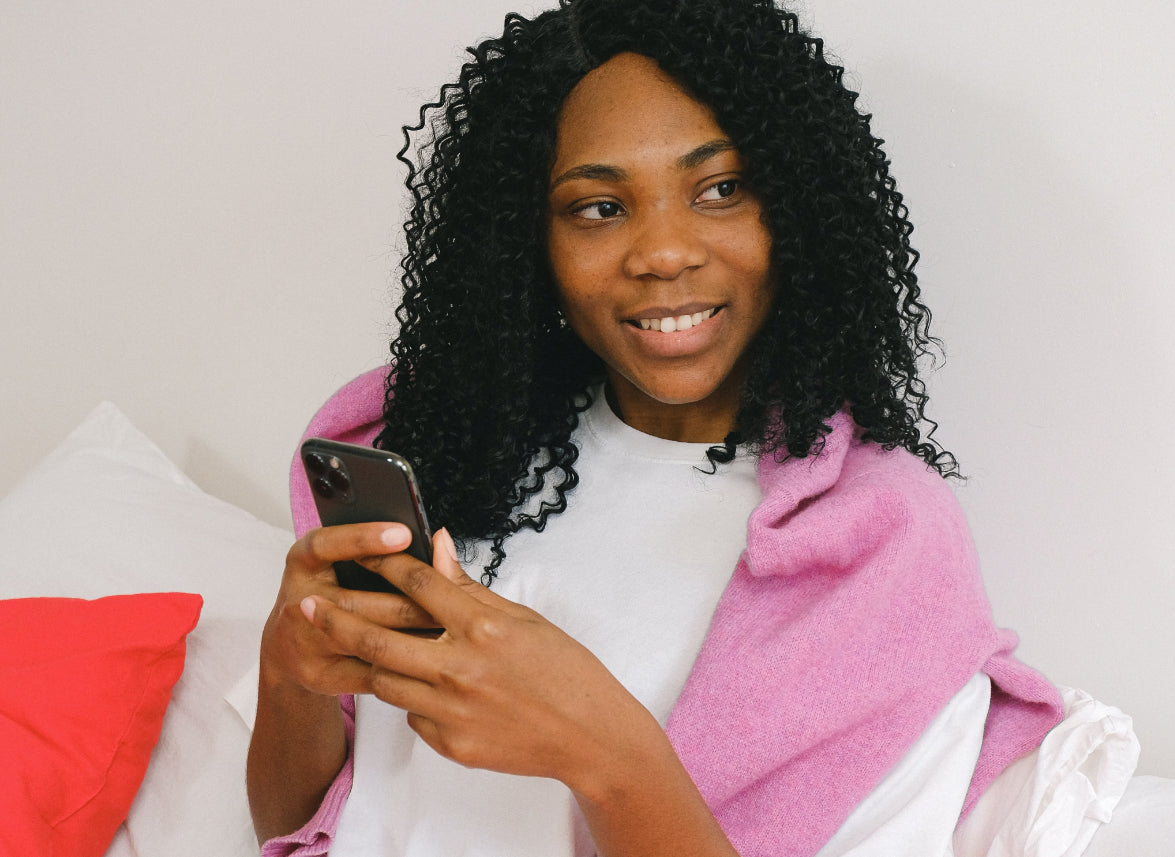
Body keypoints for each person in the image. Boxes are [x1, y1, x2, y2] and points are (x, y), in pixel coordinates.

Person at [246, 1, 1064, 854]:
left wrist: (606, 750)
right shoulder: (440, 441)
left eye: (720, 189)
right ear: (532, 244)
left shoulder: (876, 543)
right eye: (598, 207)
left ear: (794, 208)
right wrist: (288, 668)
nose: (663, 253)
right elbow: (288, 826)